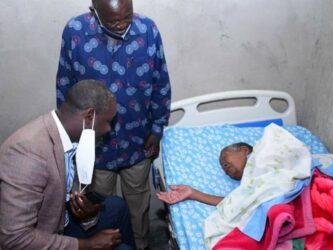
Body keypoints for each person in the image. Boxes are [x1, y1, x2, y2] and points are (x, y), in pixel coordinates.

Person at [56, 1, 171, 248]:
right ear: (94, 11)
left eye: (126, 18)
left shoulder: (148, 30)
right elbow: (65, 86)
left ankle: (140, 246)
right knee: (101, 209)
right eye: (112, 21)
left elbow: (160, 81)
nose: (120, 26)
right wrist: (72, 140)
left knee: (138, 204)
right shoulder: (75, 32)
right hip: (95, 145)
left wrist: (157, 129)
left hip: (138, 138)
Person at [0, 80, 135, 250]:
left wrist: (87, 215)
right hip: (38, 236)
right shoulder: (28, 155)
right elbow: (14, 239)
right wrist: (87, 245)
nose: (109, 129)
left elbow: (64, 197)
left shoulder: (70, 137)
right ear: (89, 116)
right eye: (108, 121)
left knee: (117, 207)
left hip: (59, 220)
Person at [156, 142, 252, 206]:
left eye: (225, 162)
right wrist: (193, 194)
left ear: (244, 151)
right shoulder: (250, 185)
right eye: (223, 168)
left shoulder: (263, 152)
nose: (225, 170)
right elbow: (240, 204)